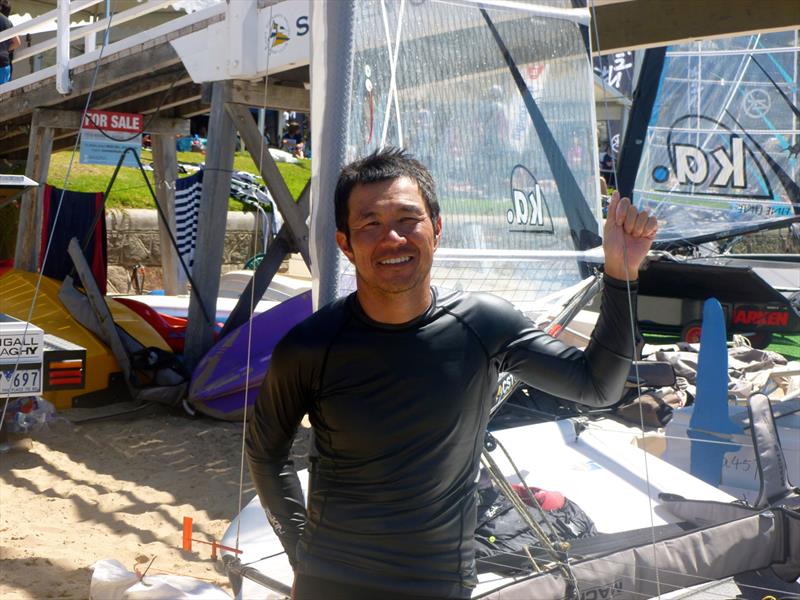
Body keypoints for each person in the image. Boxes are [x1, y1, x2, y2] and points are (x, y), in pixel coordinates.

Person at [247, 148, 657, 600]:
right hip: (332, 582)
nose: (393, 238)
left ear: (436, 230)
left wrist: (621, 274)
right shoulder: (310, 347)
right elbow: (266, 453)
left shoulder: (483, 325)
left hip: (440, 583)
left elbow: (597, 387)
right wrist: (299, 550)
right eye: (370, 224)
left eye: (408, 219)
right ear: (345, 243)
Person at [0, 0, 20, 85]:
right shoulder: (7, 22)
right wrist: (4, 49)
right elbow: (17, 43)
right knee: (4, 95)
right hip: (4, 62)